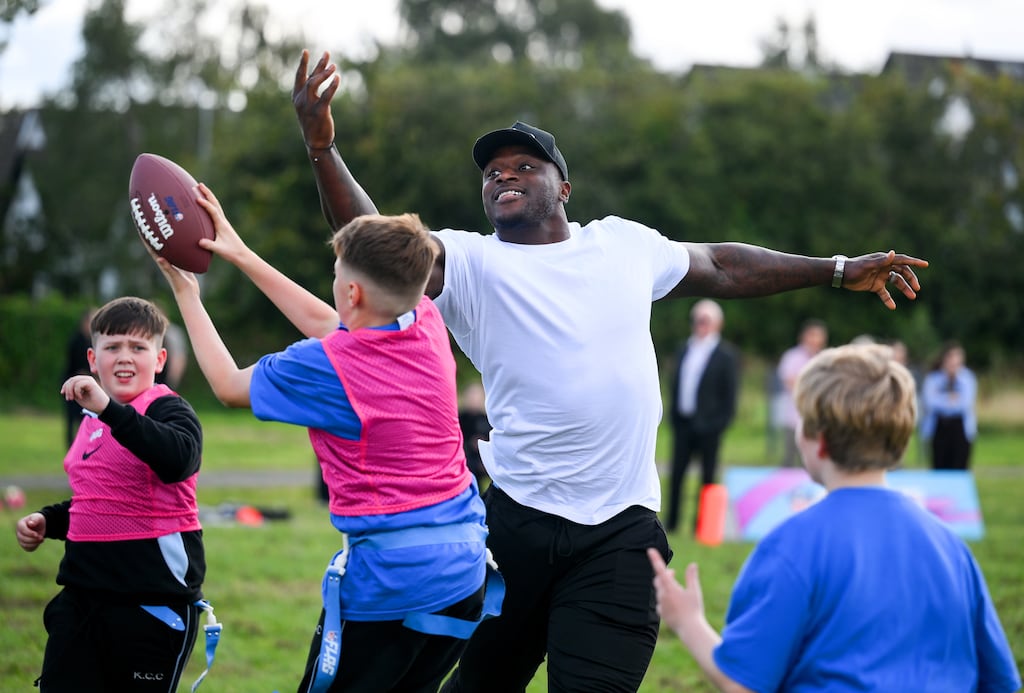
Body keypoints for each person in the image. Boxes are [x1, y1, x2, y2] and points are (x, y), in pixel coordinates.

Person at [291, 48, 928, 692]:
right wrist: (323, 149)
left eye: (523, 166)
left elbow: (723, 265)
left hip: (621, 537)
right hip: (514, 527)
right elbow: (373, 246)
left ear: (563, 188)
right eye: (491, 173)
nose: (503, 176)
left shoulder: (622, 243)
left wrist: (838, 269)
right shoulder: (469, 262)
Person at [151, 186, 499, 693]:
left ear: (352, 293)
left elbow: (228, 385)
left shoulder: (328, 367)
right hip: (465, 570)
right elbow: (330, 322)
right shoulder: (425, 320)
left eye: (337, 276)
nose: (334, 286)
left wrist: (186, 293)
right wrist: (241, 252)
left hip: (394, 578)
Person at [647, 343, 1021, 692]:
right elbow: (1000, 680)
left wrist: (688, 621)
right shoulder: (952, 549)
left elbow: (744, 682)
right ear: (903, 439)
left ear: (818, 440)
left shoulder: (790, 546)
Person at [16, 297, 208, 691]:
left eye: (138, 348)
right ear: (92, 357)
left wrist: (109, 410)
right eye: (113, 346)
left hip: (149, 604)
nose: (125, 357)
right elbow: (100, 502)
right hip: (82, 600)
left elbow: (177, 461)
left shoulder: (169, 410)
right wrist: (49, 521)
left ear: (159, 360)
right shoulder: (92, 422)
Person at [665, 299, 739, 534]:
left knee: (707, 477)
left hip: (709, 425)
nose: (700, 325)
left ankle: (702, 527)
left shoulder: (725, 355)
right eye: (697, 320)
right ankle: (672, 523)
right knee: (676, 475)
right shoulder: (684, 349)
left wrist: (720, 423)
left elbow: (730, 393)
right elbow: (674, 383)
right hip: (683, 422)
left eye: (705, 320)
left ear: (717, 324)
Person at [775, 318, 828, 467]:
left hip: (818, 419)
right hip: (794, 417)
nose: (814, 339)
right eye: (811, 335)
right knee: (790, 459)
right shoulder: (792, 357)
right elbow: (790, 382)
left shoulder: (825, 358)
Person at [920, 340, 977, 470]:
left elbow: (965, 404)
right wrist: (950, 399)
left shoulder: (967, 379)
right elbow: (930, 402)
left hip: (960, 429)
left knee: (959, 467)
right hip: (939, 428)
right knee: (939, 468)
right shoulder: (933, 378)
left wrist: (942, 400)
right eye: (950, 357)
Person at [62, 307, 95, 447]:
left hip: (87, 385)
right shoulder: (76, 340)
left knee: (86, 418)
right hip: (73, 383)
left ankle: (83, 444)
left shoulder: (92, 341)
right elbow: (76, 365)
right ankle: (71, 446)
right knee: (71, 418)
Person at [458, 381, 491, 488]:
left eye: (476, 395)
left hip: (482, 460)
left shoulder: (487, 420)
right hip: (465, 459)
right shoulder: (459, 418)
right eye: (471, 395)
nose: (473, 399)